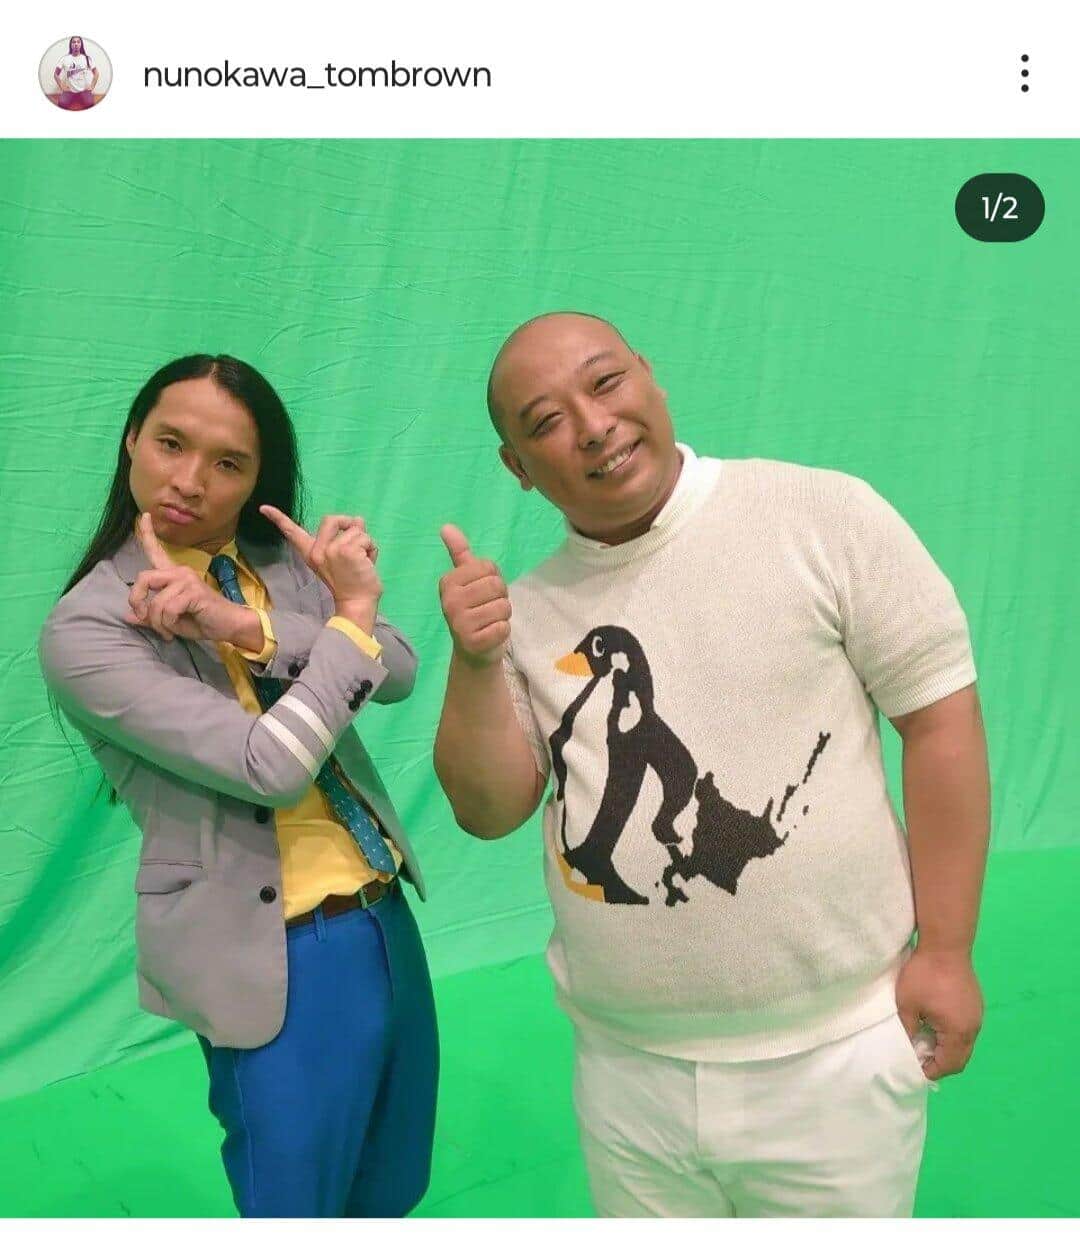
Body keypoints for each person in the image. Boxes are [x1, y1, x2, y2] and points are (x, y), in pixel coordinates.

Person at [433, 311, 989, 1218]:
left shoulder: (821, 515)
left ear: (649, 374)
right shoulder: (528, 614)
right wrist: (475, 659)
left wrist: (950, 950)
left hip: (835, 1051)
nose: (593, 426)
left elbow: (941, 724)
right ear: (517, 467)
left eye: (606, 383)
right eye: (546, 421)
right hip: (626, 1069)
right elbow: (488, 810)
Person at [40, 355, 437, 1218]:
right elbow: (272, 765)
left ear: (260, 477)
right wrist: (348, 618)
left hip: (383, 912)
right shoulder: (87, 629)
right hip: (272, 948)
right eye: (171, 444)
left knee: (391, 1187)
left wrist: (244, 624)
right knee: (294, 1203)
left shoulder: (276, 562)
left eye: (228, 462)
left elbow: (399, 667)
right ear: (131, 440)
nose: (191, 481)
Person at [53, 36, 99, 110]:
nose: (76, 44)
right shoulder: (64, 59)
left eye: (78, 42)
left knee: (90, 104)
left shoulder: (87, 58)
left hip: (83, 90)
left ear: (81, 44)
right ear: (71, 45)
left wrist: (92, 86)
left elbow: (96, 73)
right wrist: (62, 86)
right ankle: (75, 97)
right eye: (74, 42)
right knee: (62, 104)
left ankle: (79, 97)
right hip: (69, 91)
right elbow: (55, 74)